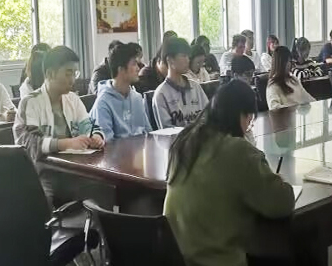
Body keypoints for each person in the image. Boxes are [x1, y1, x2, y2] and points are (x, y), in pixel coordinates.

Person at [164, 80, 294, 266]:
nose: (248, 127)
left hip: (177, 257)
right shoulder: (238, 151)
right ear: (241, 115)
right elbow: (282, 203)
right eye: (249, 120)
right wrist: (276, 181)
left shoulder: (184, 140)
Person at [14, 46, 105, 203]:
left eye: (75, 73)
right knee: (43, 201)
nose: (73, 79)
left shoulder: (73, 99)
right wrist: (66, 143)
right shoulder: (30, 102)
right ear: (50, 74)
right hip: (41, 172)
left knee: (105, 189)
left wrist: (96, 137)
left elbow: (89, 126)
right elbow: (30, 143)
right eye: (68, 73)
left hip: (72, 170)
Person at [90, 43, 153, 141]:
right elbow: (107, 143)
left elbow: (148, 132)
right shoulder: (103, 102)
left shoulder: (137, 98)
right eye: (134, 64)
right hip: (118, 150)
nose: (138, 68)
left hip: (140, 149)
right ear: (121, 69)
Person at [153, 38, 210, 129]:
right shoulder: (161, 94)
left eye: (188, 56)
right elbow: (167, 131)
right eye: (184, 56)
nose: (188, 60)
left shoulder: (196, 87)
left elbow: (208, 116)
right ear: (170, 60)